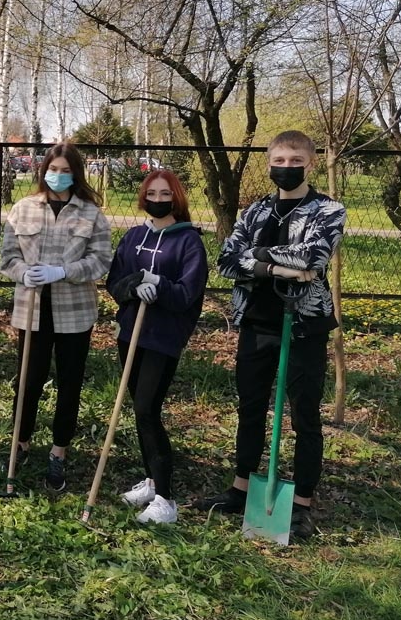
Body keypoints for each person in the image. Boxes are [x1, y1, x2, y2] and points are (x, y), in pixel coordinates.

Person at [195, 130, 345, 541]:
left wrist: (257, 257)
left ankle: (301, 503)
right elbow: (226, 260)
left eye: (296, 160)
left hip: (303, 324)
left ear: (310, 163)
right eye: (280, 159)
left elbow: (314, 257)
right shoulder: (257, 210)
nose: (287, 167)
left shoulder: (327, 210)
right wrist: (276, 268)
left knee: (304, 414)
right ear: (269, 162)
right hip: (257, 322)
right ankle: (241, 487)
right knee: (250, 406)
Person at [0, 143, 112, 491]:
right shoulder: (24, 209)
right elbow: (7, 256)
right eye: (53, 169)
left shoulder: (91, 213)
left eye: (66, 170)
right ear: (43, 170)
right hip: (31, 311)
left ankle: (59, 452)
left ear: (75, 173)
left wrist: (63, 271)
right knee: (28, 381)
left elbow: (101, 260)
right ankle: (21, 441)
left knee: (69, 383)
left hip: (74, 312)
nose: (58, 176)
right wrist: (23, 272)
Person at [105, 170, 208, 523]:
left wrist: (159, 284)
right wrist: (134, 287)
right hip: (131, 332)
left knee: (148, 408)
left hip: (163, 337)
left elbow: (186, 295)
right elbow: (114, 282)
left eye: (166, 194)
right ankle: (150, 481)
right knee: (138, 408)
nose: (159, 199)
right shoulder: (133, 236)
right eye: (153, 193)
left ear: (176, 197)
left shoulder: (188, 242)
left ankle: (166, 498)